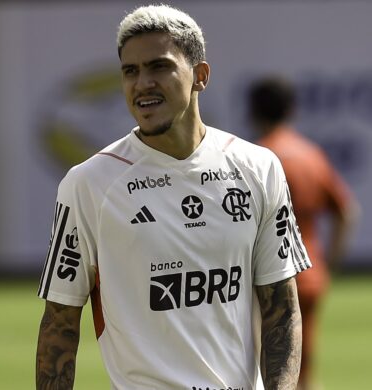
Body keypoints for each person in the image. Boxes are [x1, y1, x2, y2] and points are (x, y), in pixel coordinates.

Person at [36, 5, 311, 389]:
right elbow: (59, 325)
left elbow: (281, 310)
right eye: (130, 71)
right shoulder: (87, 184)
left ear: (200, 75)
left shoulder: (258, 167)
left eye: (158, 67)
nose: (142, 83)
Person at [248, 76, 359, 390]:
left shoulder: (256, 158)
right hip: (310, 273)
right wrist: (330, 263)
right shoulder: (311, 154)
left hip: (269, 278)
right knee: (303, 372)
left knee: (262, 372)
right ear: (291, 109)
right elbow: (346, 212)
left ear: (253, 112)